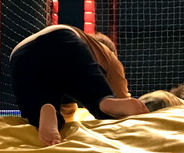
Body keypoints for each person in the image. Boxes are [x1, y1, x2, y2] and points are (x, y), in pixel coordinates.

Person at [9, 25, 147, 146]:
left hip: (19, 56)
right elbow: (124, 106)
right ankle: (103, 101)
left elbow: (68, 113)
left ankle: (42, 112)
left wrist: (60, 127)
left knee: (36, 105)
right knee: (98, 96)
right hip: (61, 38)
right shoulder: (108, 57)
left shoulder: (69, 87)